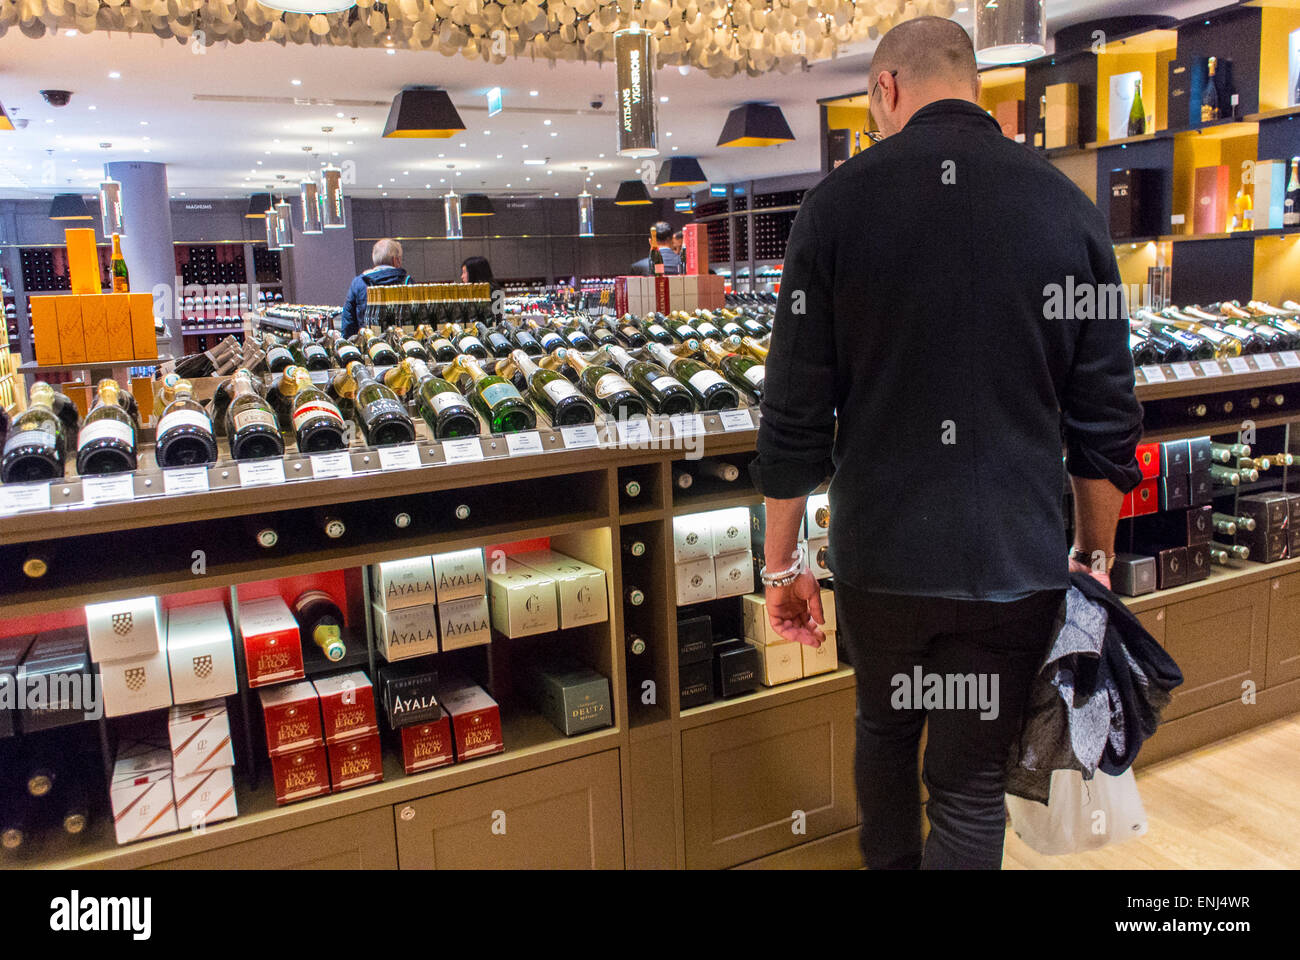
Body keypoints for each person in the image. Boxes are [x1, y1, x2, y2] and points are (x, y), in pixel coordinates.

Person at [750, 16, 1143, 870]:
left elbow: (793, 416)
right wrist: (1093, 553)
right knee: (967, 788)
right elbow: (1107, 421)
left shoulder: (834, 210)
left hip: (883, 561)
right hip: (1013, 563)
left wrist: (784, 569)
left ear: (886, 89)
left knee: (886, 737)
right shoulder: (1070, 212)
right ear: (976, 85)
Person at [340, 239, 409, 337]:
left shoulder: (359, 283)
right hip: (402, 344)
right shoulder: (407, 282)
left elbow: (348, 322)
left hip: (370, 345)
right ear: (395, 260)